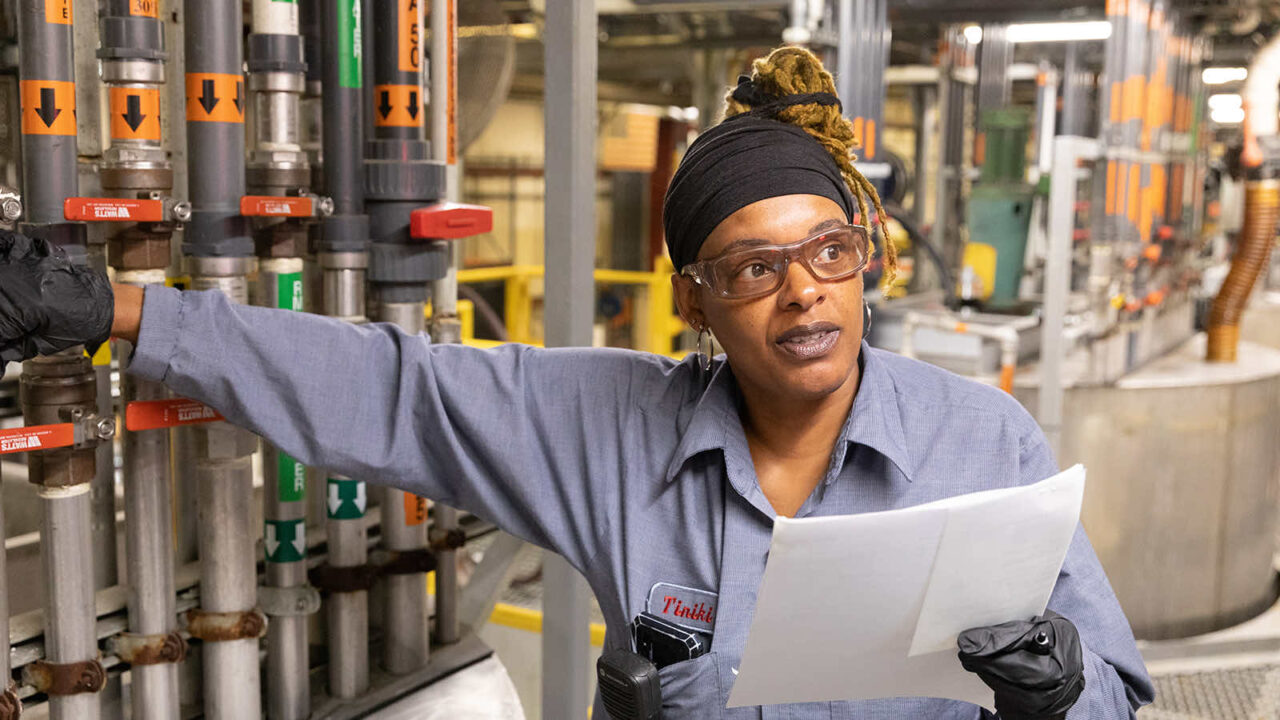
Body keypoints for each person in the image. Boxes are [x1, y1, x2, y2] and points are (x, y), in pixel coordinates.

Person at [1, 47, 1152, 719]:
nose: (804, 294)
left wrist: (1056, 693)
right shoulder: (618, 429)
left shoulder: (981, 444)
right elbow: (393, 389)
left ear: (862, 256)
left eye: (827, 252)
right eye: (754, 267)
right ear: (692, 301)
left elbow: (1116, 695)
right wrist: (114, 309)